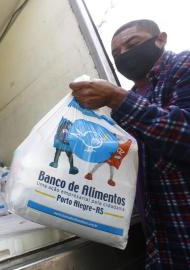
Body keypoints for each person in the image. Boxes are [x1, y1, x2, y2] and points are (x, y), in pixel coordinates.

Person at [69, 19, 190, 269]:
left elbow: (185, 135)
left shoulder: (183, 66)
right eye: (116, 53)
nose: (123, 54)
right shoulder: (132, 99)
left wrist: (116, 98)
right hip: (162, 243)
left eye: (132, 44)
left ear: (161, 39)